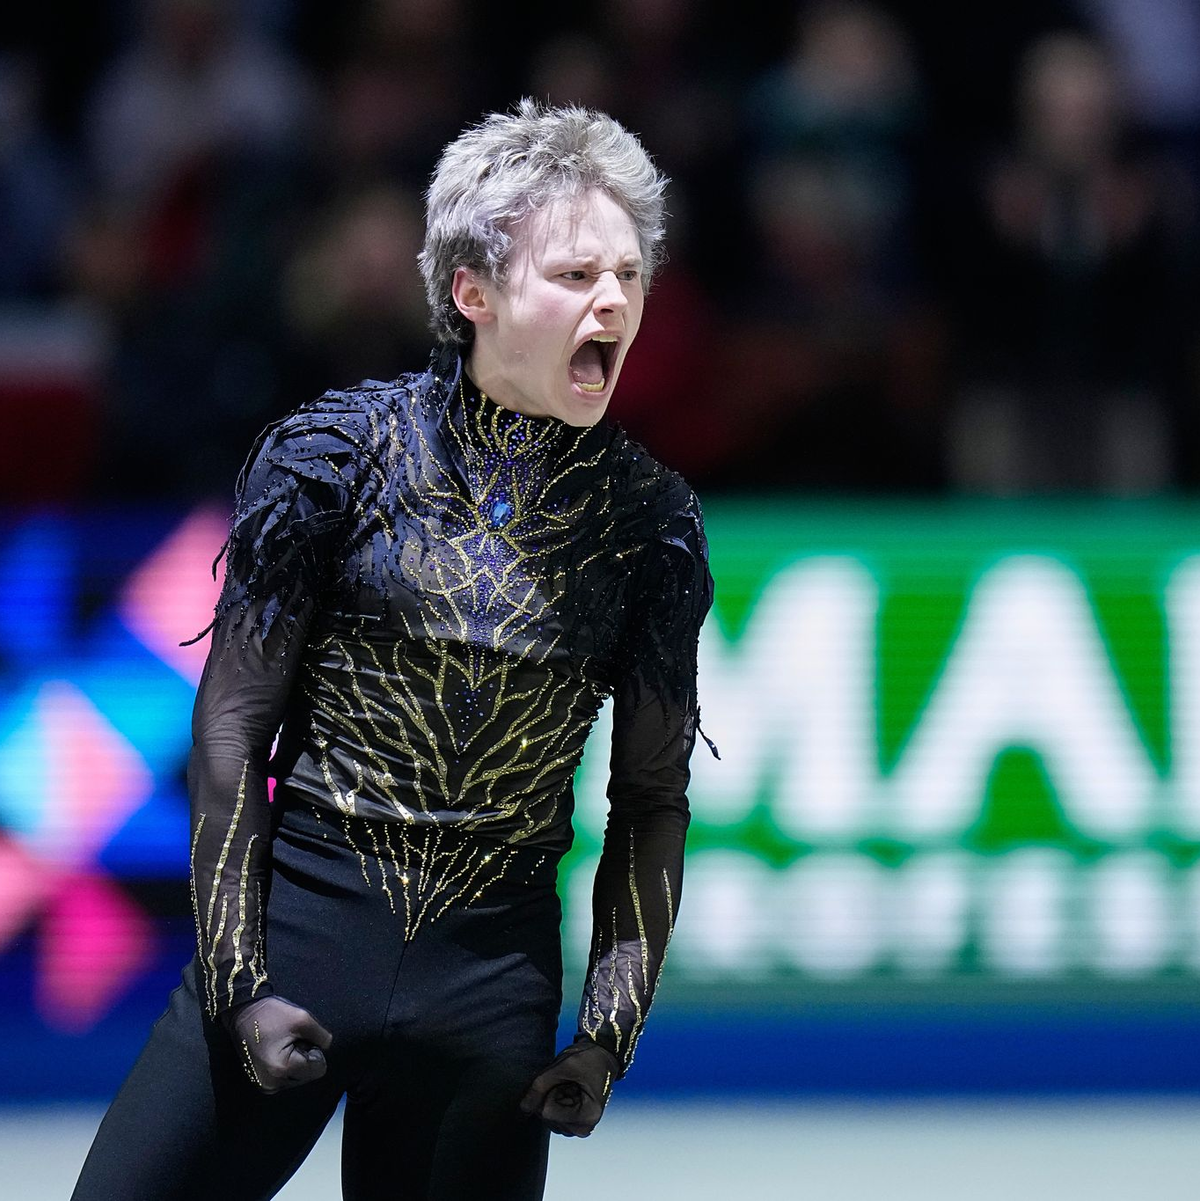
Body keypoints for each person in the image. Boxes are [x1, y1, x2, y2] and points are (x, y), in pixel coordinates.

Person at [72, 98, 714, 1201]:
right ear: (473, 292)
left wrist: (608, 1031)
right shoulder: (335, 459)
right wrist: (239, 985)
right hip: (293, 952)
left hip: (488, 1007)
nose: (613, 299)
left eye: (628, 275)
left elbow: (652, 800)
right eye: (574, 276)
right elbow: (231, 732)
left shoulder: (648, 524)